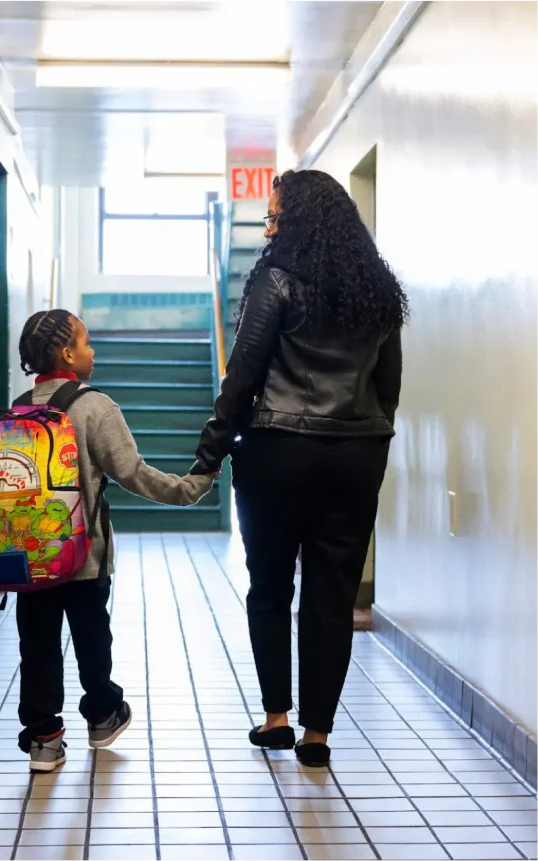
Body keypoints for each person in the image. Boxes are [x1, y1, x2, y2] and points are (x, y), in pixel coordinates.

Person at [191, 169, 407, 768]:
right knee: (332, 595)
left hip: (278, 451)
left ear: (299, 218)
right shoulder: (378, 289)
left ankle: (277, 718)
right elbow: (387, 388)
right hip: (358, 454)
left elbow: (245, 372)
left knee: (269, 587)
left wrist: (210, 453)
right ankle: (318, 734)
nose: (270, 225)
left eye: (275, 214)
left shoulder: (277, 276)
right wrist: (367, 439)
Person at [15, 309, 215, 771]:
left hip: (30, 559)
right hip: (83, 558)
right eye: (85, 342)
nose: (92, 350)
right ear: (67, 354)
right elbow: (133, 473)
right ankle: (103, 713)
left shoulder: (21, 406)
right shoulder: (94, 407)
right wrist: (190, 488)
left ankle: (44, 739)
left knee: (37, 645)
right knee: (91, 638)